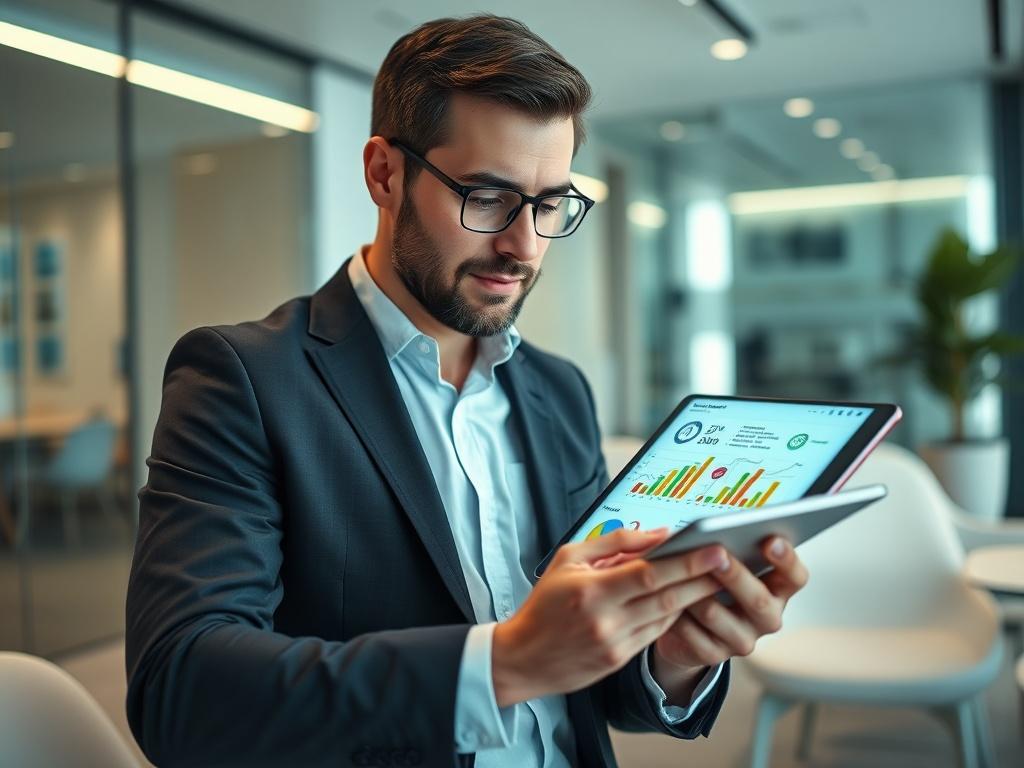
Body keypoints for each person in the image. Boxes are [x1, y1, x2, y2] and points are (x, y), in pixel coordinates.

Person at [125, 14, 808, 768]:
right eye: (487, 197)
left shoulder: (559, 391)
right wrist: (506, 659)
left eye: (551, 204)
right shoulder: (244, 380)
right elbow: (180, 692)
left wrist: (670, 654)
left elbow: (598, 689)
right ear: (385, 174)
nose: (523, 245)